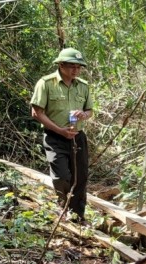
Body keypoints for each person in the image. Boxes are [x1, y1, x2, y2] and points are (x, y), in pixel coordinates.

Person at [30, 48, 93, 224]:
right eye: (71, 66)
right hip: (55, 137)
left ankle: (78, 216)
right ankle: (63, 206)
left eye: (79, 67)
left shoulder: (83, 86)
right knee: (61, 176)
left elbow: (90, 110)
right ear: (61, 65)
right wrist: (59, 130)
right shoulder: (46, 83)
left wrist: (84, 115)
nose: (76, 70)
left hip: (77, 137)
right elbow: (36, 112)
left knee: (80, 177)